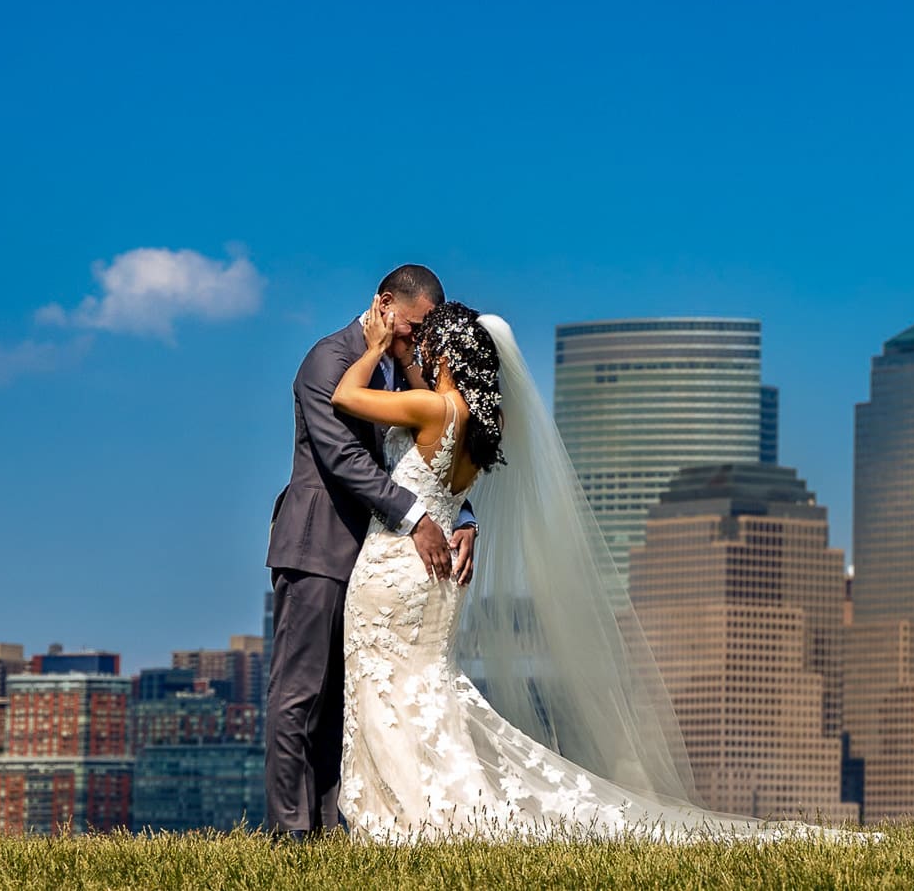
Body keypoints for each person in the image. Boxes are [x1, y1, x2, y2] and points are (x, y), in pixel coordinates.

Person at [328, 296, 859, 841]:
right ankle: (428, 809)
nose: (414, 352)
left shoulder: (431, 409)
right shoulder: (488, 421)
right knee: (425, 687)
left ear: (443, 354)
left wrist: (371, 349)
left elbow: (344, 395)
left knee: (386, 689)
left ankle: (404, 817)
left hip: (395, 569)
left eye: (425, 345)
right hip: (440, 580)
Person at [264, 264, 474, 838]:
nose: (417, 342)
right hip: (318, 546)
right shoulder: (327, 361)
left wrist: (464, 517)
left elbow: (429, 455)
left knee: (345, 698)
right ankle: (290, 834)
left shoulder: (402, 370)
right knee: (299, 695)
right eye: (410, 329)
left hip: (373, 557)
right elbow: (344, 459)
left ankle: (333, 828)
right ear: (384, 306)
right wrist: (417, 519)